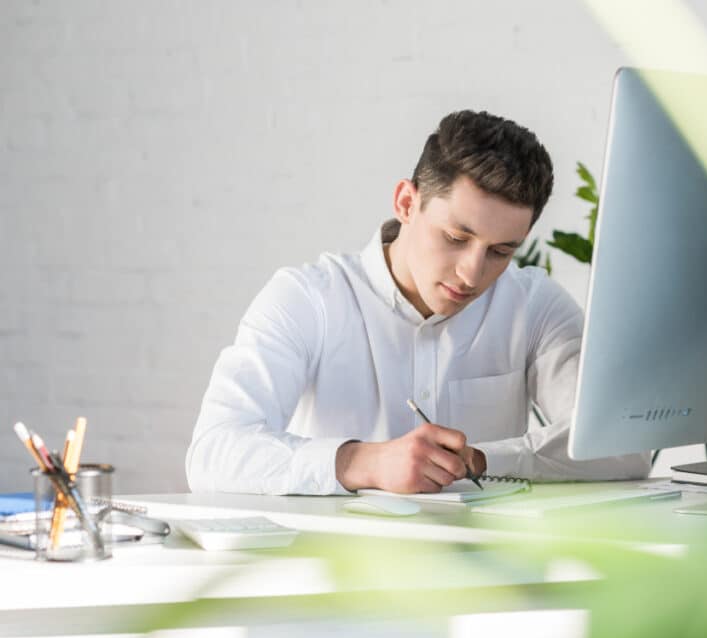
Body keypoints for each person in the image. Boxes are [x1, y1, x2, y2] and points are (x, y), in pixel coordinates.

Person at [186, 109, 650, 496]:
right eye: (455, 236)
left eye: (501, 251)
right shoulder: (308, 299)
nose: (472, 272)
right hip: (339, 575)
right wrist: (360, 462)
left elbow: (624, 447)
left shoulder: (536, 306)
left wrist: (482, 459)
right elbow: (213, 451)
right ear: (407, 203)